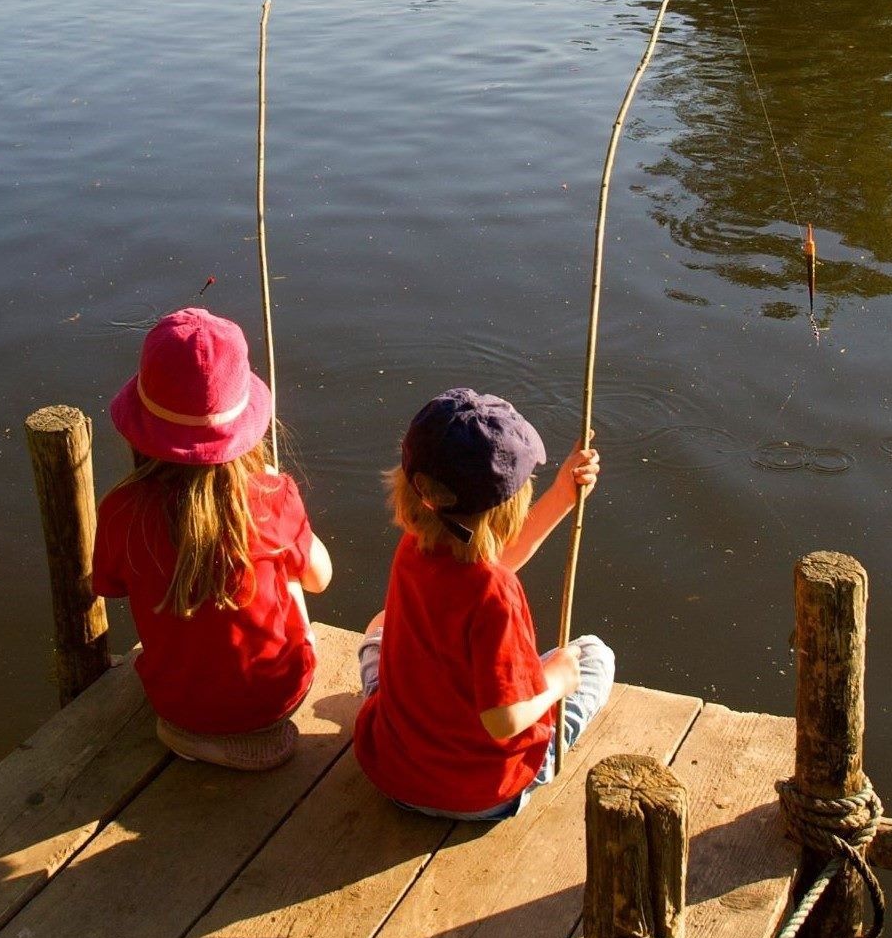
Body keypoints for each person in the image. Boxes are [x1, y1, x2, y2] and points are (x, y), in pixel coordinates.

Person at [351, 386, 614, 822]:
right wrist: (557, 681)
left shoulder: (415, 547)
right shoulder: (495, 594)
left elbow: (495, 557)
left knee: (381, 624)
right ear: (508, 506)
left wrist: (563, 496)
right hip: (482, 794)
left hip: (393, 774)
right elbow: (503, 719)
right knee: (593, 657)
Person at [97, 306, 330, 770]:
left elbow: (112, 586)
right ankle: (254, 723)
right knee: (289, 572)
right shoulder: (272, 495)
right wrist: (276, 498)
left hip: (176, 708)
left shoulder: (121, 509)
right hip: (282, 696)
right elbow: (320, 577)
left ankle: (196, 735)